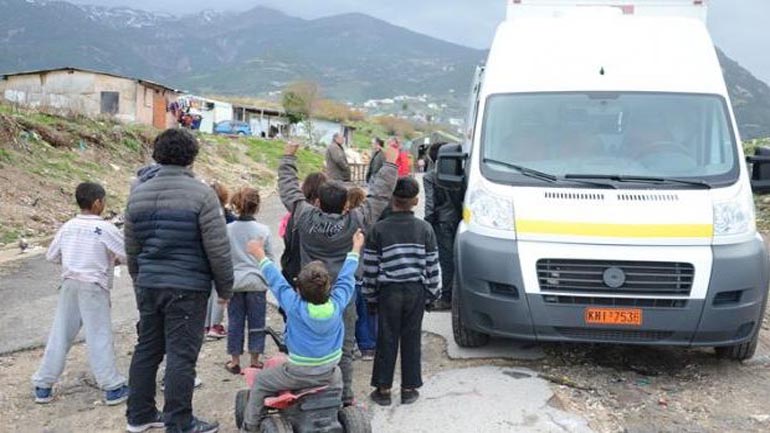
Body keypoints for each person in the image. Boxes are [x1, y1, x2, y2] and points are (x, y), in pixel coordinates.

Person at [125, 128, 233, 433]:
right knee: (181, 355)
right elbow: (218, 249)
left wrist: (139, 282)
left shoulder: (138, 193)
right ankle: (179, 421)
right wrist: (225, 289)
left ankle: (139, 415)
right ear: (192, 157)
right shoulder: (202, 194)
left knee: (147, 348)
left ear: (157, 155)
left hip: (148, 284)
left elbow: (132, 248)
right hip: (187, 287)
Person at [278, 140, 399, 405]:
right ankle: (345, 395)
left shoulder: (305, 216)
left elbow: (288, 189)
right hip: (343, 295)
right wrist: (390, 163)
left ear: (317, 202)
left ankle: (304, 389)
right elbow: (379, 194)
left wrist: (288, 156)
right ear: (346, 206)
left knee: (301, 343)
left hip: (308, 293)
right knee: (345, 346)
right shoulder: (356, 220)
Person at [241, 230, 363, 431]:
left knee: (261, 381)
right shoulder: (338, 302)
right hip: (329, 370)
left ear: (298, 290)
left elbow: (276, 280)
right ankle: (339, 407)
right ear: (329, 287)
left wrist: (259, 254)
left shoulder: (294, 306)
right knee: (338, 376)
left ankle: (250, 425)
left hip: (298, 371)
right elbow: (347, 276)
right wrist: (355, 248)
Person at [31, 182, 129, 406]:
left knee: (60, 333)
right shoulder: (105, 228)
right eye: (104, 202)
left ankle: (43, 385)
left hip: (69, 283)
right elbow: (126, 254)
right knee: (99, 335)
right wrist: (111, 260)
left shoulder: (68, 226)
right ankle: (112, 387)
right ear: (97, 203)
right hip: (94, 286)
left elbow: (51, 255)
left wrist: (73, 261)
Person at [362, 177, 442, 406]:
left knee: (386, 338)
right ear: (415, 201)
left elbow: (370, 267)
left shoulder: (378, 230)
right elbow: (432, 264)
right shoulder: (424, 229)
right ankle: (409, 389)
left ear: (391, 199)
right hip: (415, 291)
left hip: (389, 292)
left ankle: (383, 390)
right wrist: (433, 294)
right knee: (411, 338)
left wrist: (370, 296)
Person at [225, 187, 274, 375]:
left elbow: (223, 256)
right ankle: (255, 359)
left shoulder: (228, 230)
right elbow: (268, 257)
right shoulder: (263, 230)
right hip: (256, 281)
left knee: (235, 320)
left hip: (235, 282)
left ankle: (234, 360)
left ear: (236, 205)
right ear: (257, 206)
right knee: (257, 321)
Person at [423, 142, 464, 310]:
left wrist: (427, 224)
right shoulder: (461, 174)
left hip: (441, 223)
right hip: (459, 220)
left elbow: (430, 204)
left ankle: (447, 298)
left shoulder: (430, 176)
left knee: (446, 261)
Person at [279, 172, 327, 288]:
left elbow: (284, 236)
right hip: (319, 275)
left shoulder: (294, 214)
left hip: (294, 270)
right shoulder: (328, 218)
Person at [206, 182, 235, 340]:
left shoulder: (202, 214)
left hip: (205, 257)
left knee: (208, 292)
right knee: (218, 290)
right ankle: (215, 325)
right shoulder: (227, 217)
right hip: (221, 256)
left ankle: (205, 325)